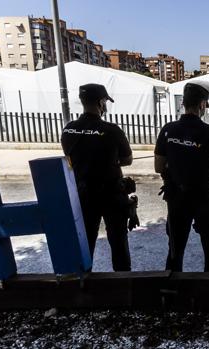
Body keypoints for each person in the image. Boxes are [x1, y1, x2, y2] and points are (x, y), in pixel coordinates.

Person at [154, 83, 209, 272]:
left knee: (175, 249)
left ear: (184, 103)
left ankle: (171, 292)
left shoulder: (167, 130)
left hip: (176, 197)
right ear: (202, 105)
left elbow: (158, 166)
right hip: (204, 196)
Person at [61, 83, 133, 271]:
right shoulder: (112, 130)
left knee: (85, 244)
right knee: (118, 244)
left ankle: (84, 288)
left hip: (83, 195)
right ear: (101, 102)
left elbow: (70, 159)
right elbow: (127, 160)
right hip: (112, 195)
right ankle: (123, 287)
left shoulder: (68, 130)